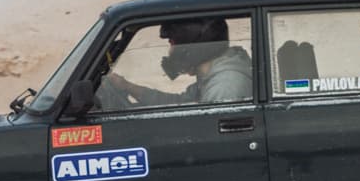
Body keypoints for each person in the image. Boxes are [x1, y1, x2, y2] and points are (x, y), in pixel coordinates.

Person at [97, 18, 252, 109]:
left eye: (172, 44)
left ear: (189, 47)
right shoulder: (211, 77)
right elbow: (179, 103)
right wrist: (128, 86)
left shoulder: (224, 86)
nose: (170, 52)